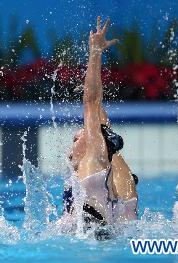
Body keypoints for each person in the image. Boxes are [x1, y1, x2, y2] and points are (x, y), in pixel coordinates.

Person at [63, 17, 138, 232]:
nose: (72, 146)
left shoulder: (95, 163)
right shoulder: (98, 177)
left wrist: (95, 53)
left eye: (77, 138)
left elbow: (92, 103)